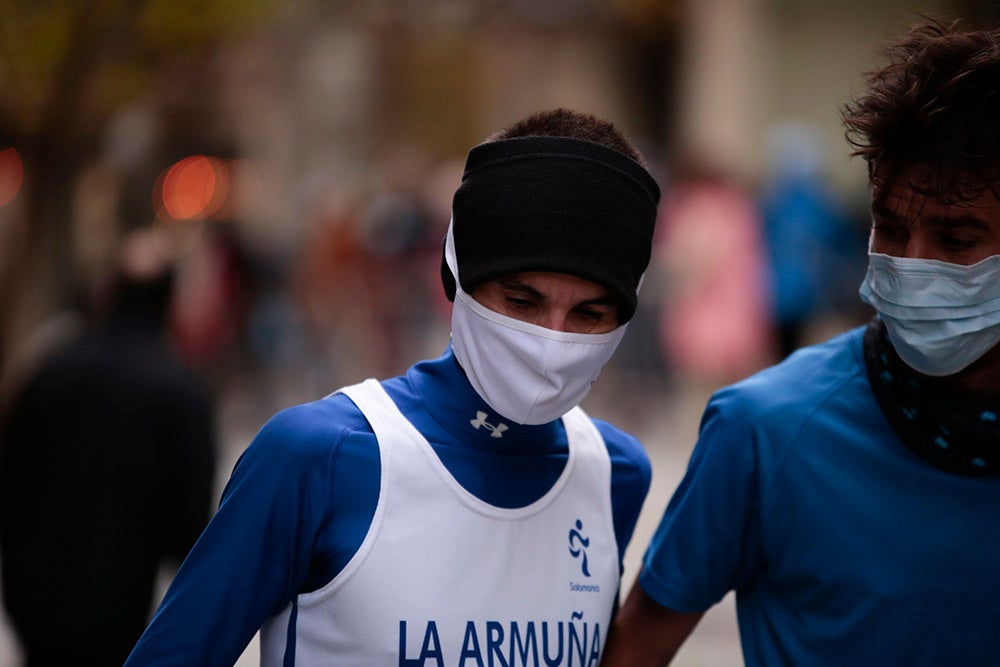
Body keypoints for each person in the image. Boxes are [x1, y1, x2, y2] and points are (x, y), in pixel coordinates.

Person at [124, 108, 661, 665]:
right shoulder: (320, 455)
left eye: (589, 313)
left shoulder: (614, 475)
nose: (551, 341)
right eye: (521, 301)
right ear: (455, 278)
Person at [601, 18, 1000, 666]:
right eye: (891, 229)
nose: (913, 265)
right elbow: (636, 643)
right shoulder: (767, 428)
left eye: (956, 241)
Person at [0, 228, 217, 667]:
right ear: (169, 302)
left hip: (35, 603)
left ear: (109, 294)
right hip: (120, 606)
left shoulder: (50, 371)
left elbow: (9, 476)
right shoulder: (179, 391)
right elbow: (191, 519)